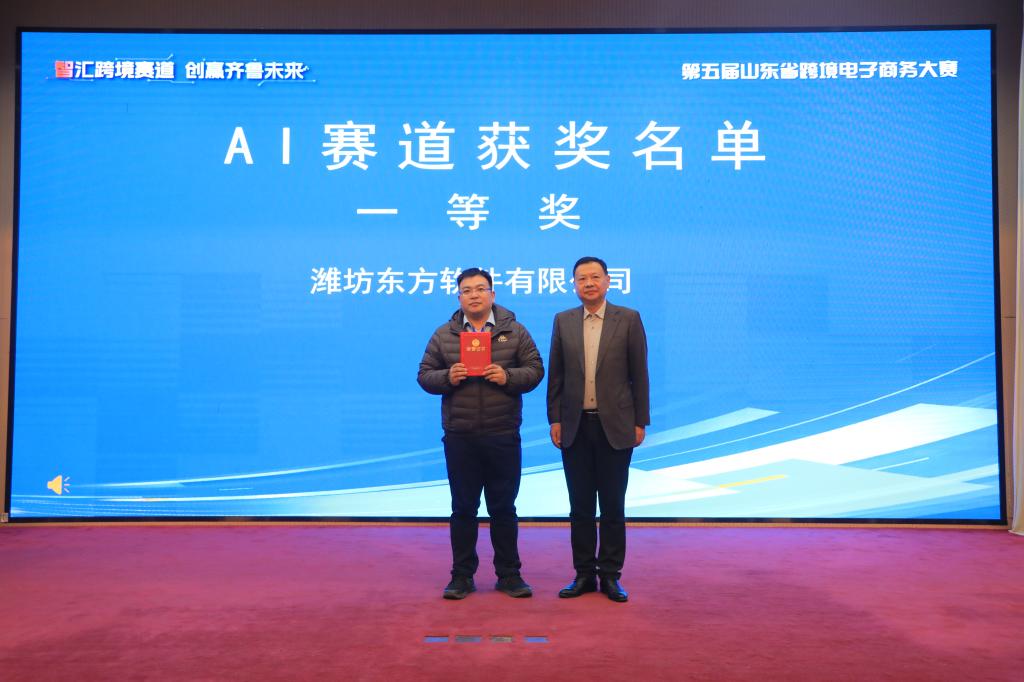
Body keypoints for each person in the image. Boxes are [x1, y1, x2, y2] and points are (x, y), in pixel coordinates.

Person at [418, 268, 544, 600]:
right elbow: (424, 375)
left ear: (492, 294)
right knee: (463, 509)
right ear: (459, 297)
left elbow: (535, 370)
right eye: (467, 290)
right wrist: (448, 377)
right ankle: (461, 576)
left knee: (504, 508)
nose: (474, 295)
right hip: (460, 436)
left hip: (502, 433)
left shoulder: (514, 331)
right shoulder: (444, 334)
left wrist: (508, 377)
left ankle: (509, 575)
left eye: (480, 289)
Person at [547, 256, 649, 603]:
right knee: (580, 507)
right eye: (581, 278)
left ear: (607, 281)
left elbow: (639, 374)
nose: (588, 283)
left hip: (616, 426)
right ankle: (583, 574)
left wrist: (640, 420)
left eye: (594, 277)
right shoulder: (563, 321)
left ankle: (610, 575)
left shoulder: (628, 318)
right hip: (575, 425)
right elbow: (557, 375)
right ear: (574, 285)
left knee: (612, 505)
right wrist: (555, 419)